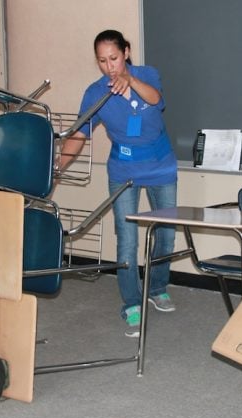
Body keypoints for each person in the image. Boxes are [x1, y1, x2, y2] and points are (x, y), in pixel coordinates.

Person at [57, 30, 178, 337]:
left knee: (165, 234)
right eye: (102, 61)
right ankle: (132, 303)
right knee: (127, 239)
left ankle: (158, 287)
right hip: (123, 169)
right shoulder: (96, 93)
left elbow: (157, 100)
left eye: (113, 58)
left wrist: (130, 80)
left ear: (126, 52)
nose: (109, 66)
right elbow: (79, 135)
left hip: (160, 166)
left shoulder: (147, 75)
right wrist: (57, 167)